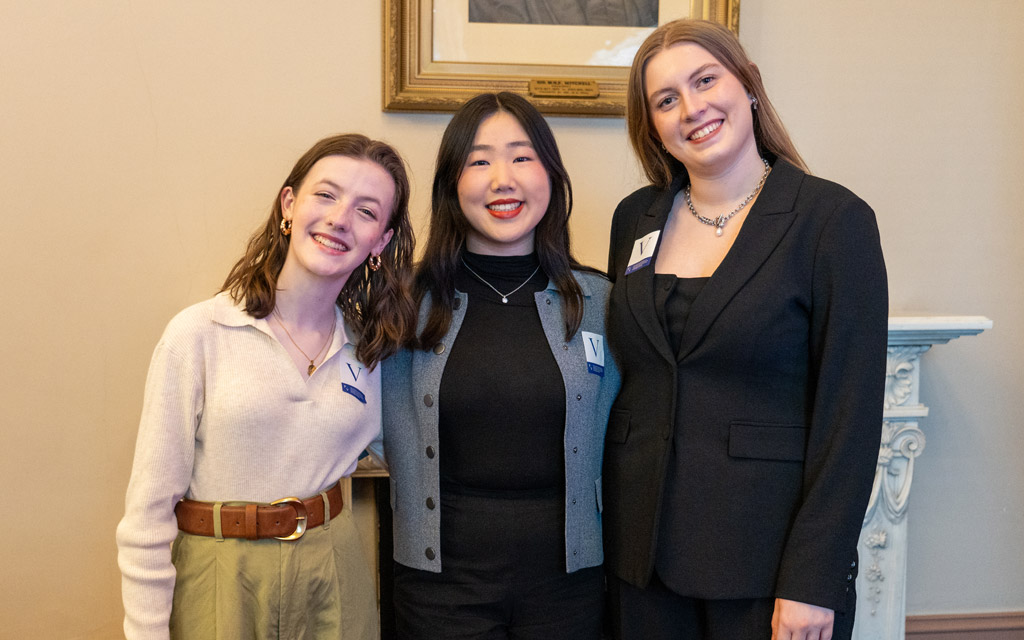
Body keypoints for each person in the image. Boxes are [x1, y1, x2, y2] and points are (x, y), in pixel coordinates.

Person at [602, 19, 888, 640]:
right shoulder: (635, 219)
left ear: (748, 85)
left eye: (706, 80)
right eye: (666, 99)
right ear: (651, 123)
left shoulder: (832, 221)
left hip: (768, 571)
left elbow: (851, 418)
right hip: (641, 563)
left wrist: (814, 580)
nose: (692, 108)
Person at [115, 134, 416, 640]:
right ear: (289, 204)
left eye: (366, 212)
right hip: (219, 577)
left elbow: (420, 457)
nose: (340, 218)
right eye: (326, 195)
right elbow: (146, 518)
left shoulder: (372, 352)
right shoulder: (199, 335)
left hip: (335, 575)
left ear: (380, 242)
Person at [382, 92, 620, 639]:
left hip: (571, 587)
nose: (502, 179)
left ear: (551, 177)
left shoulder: (602, 303)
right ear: (451, 185)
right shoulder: (402, 305)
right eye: (479, 161)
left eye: (521, 157)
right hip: (438, 587)